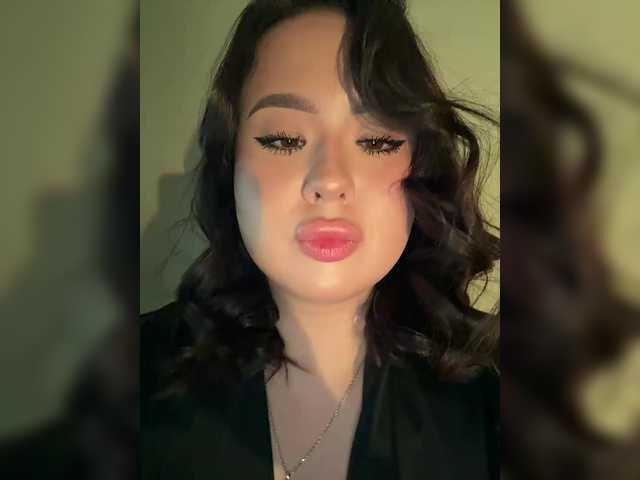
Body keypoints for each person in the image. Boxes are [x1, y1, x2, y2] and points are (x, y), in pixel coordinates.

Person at [141, 1, 499, 479]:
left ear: (423, 167)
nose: (329, 180)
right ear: (231, 165)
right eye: (284, 139)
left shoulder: (495, 408)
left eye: (377, 141)